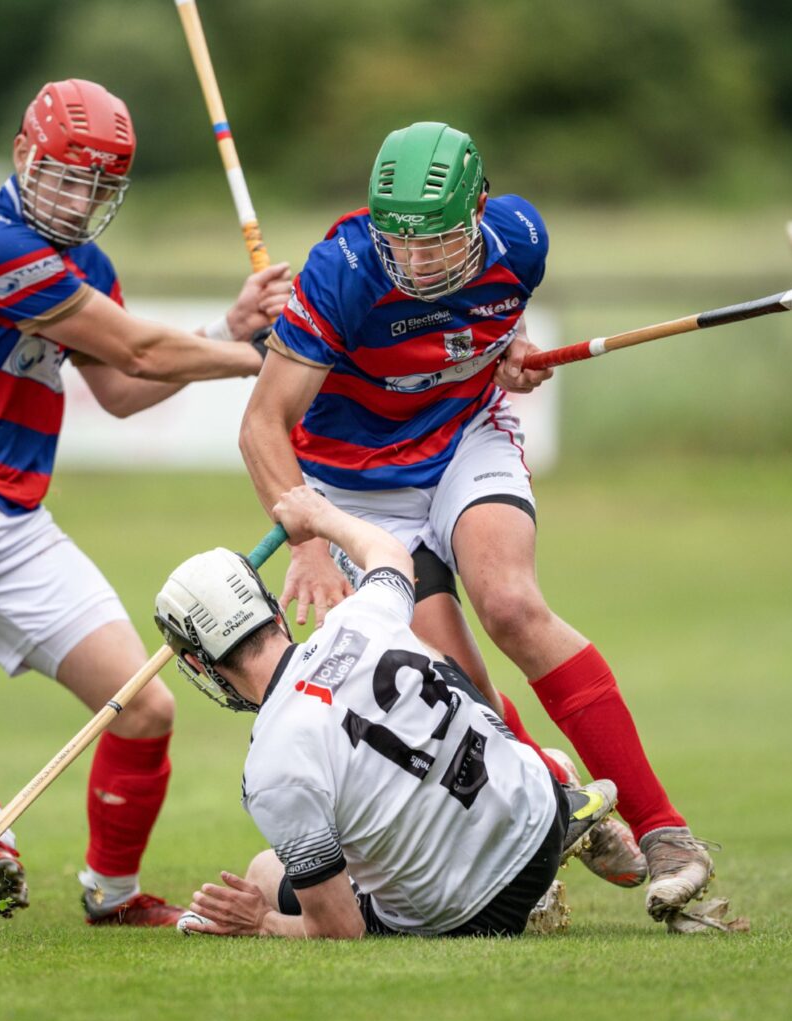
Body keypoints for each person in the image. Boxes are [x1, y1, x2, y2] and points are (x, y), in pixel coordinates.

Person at [0, 79, 291, 928]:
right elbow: (141, 350)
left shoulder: (87, 267)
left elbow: (119, 388)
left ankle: (111, 895)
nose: (76, 200)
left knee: (145, 706)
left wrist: (230, 335)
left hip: (10, 519)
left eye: (97, 187)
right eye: (64, 177)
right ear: (22, 156)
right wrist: (278, 354)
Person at [239, 121, 713, 921]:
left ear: (481, 211)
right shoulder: (344, 271)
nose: (417, 262)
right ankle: (555, 797)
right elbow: (261, 424)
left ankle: (666, 828)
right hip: (357, 489)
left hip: (461, 438)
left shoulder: (521, 238)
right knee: (457, 683)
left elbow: (493, 331)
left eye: (438, 243)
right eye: (402, 242)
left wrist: (512, 349)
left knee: (511, 604)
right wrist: (312, 545)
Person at [155, 486, 617, 938]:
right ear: (274, 609)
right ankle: (549, 778)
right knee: (426, 654)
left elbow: (339, 929)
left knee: (263, 871)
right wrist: (319, 516)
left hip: (475, 912)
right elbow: (390, 553)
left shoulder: (269, 768)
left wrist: (259, 922)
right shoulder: (359, 616)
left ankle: (507, 879)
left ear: (199, 663)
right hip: (539, 818)